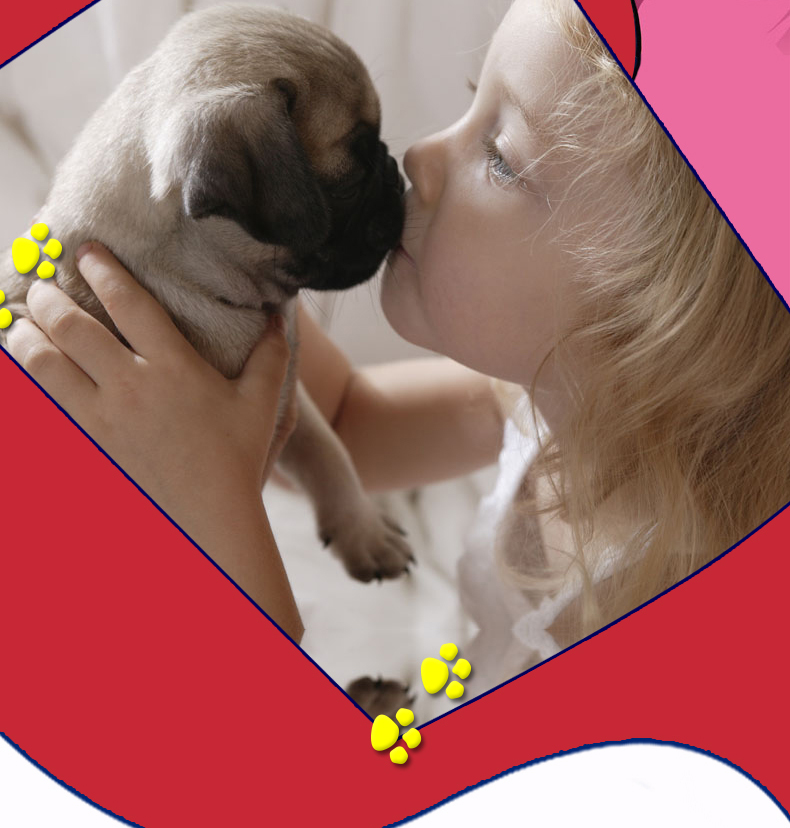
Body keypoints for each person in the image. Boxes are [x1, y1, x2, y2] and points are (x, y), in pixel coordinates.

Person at [7, 0, 790, 696]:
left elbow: (281, 768)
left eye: (500, 156)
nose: (418, 156)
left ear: (654, 312)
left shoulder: (670, 602)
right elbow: (349, 417)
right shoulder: (542, 408)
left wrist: (216, 522)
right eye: (468, 101)